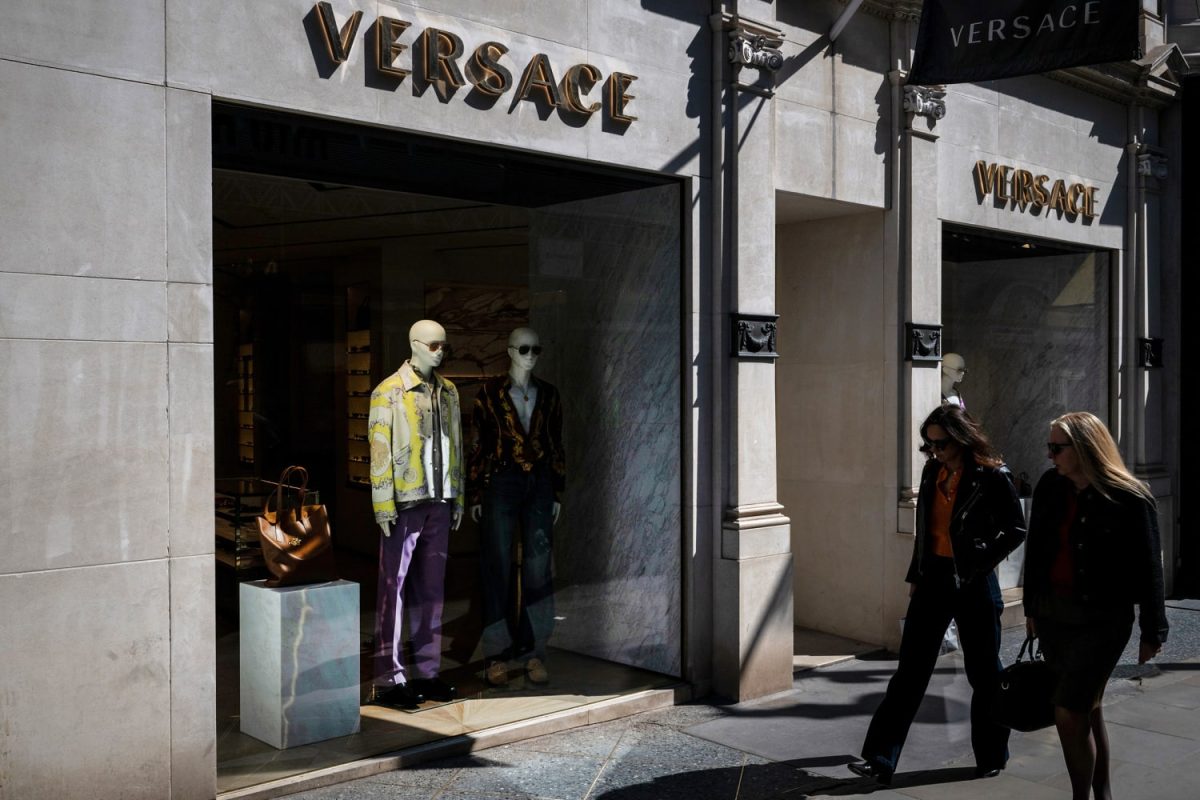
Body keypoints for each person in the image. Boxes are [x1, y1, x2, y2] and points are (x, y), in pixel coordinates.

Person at [850, 404, 1026, 785]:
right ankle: (879, 759)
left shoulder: (992, 476)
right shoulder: (933, 472)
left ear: (961, 438)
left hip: (975, 583)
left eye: (941, 444)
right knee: (909, 674)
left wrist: (980, 559)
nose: (934, 451)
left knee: (984, 674)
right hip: (934, 580)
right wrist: (916, 575)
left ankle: (992, 754)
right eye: (928, 445)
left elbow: (1016, 529)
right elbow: (925, 530)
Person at [1024, 412, 1167, 800]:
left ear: (1084, 448)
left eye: (1057, 448)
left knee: (1069, 711)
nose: (1050, 455)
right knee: (1088, 706)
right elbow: (1036, 551)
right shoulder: (1051, 486)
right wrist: (1031, 608)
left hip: (1103, 620)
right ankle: (1102, 794)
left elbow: (1149, 567)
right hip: (1054, 615)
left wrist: (1154, 630)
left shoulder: (1129, 497)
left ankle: (1081, 797)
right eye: (1049, 447)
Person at [368, 319, 464, 709]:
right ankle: (390, 678)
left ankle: (428, 671)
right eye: (434, 345)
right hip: (404, 503)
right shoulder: (388, 391)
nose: (440, 351)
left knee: (432, 590)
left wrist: (458, 495)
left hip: (440, 500)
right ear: (415, 345)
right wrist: (382, 503)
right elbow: (378, 449)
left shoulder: (450, 391)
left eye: (444, 345)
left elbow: (457, 442)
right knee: (393, 590)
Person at [468, 327, 566, 687]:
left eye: (536, 349)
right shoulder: (489, 394)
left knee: (539, 568)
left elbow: (555, 442)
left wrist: (556, 489)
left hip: (539, 482)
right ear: (510, 351)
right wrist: (476, 492)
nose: (531, 355)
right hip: (502, 480)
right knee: (497, 567)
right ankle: (496, 655)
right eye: (524, 349)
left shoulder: (549, 394)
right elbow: (478, 443)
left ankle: (534, 652)